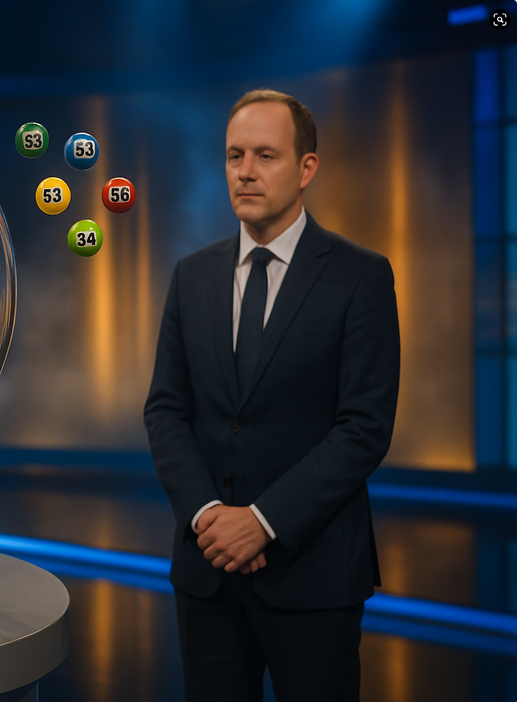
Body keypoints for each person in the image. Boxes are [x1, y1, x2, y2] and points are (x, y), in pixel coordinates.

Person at [143, 89, 400, 701]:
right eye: (235, 155)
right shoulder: (191, 276)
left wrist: (262, 523)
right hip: (207, 575)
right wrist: (210, 518)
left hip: (313, 578)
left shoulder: (360, 276)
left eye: (265, 155)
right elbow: (166, 410)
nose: (246, 171)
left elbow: (363, 427)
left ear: (306, 167)